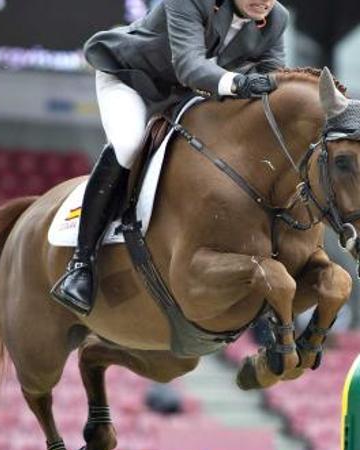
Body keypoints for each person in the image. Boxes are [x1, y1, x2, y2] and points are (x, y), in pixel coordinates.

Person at [50, 0, 289, 315]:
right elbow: (190, 65)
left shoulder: (276, 18)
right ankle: (81, 264)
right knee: (129, 143)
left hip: (186, 96)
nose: (266, 1)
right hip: (132, 79)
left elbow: (275, 78)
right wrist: (240, 83)